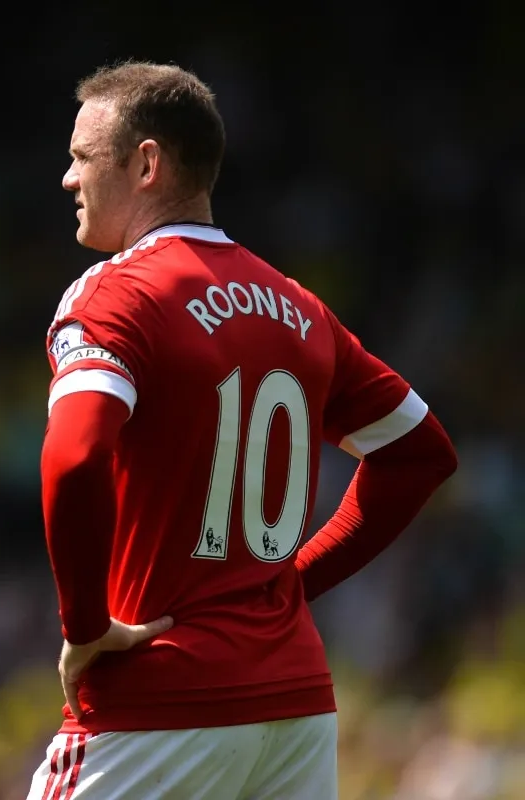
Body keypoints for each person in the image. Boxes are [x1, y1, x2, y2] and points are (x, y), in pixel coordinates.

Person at [29, 61, 459, 799]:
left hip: (158, 700)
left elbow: (73, 458)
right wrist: (286, 587)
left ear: (146, 164)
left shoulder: (116, 295)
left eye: (81, 157)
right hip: (295, 710)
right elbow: (419, 455)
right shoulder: (300, 309)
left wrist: (85, 626)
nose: (68, 178)